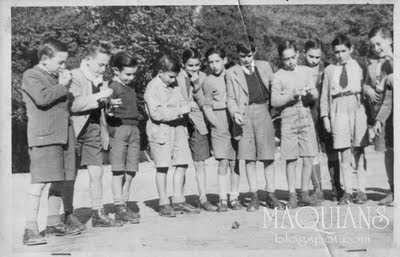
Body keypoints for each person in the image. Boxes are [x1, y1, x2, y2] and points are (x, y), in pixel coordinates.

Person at [22, 38, 84, 245]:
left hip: (64, 136)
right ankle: (30, 228)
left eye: (65, 62)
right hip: (44, 137)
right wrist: (63, 85)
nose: (63, 67)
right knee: (39, 181)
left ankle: (53, 222)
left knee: (60, 179)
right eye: (60, 62)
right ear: (45, 59)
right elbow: (42, 98)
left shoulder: (55, 77)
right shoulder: (31, 75)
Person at [226, 35, 284, 211]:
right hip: (245, 115)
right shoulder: (232, 72)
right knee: (249, 157)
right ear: (238, 55)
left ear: (255, 52)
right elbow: (230, 98)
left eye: (249, 55)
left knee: (268, 156)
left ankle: (271, 194)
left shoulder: (265, 66)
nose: (246, 59)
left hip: (264, 111)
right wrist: (235, 112)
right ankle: (254, 195)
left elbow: (276, 87)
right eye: (242, 56)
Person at [70, 40, 123, 227]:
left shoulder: (102, 81)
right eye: (100, 64)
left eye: (106, 65)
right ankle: (68, 214)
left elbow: (102, 106)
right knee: (70, 174)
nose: (103, 69)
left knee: (97, 172)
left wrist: (110, 106)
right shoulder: (74, 76)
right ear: (88, 60)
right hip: (74, 130)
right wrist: (100, 96)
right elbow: (74, 104)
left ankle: (97, 212)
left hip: (94, 128)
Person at [320, 34, 369, 205]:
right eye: (336, 52)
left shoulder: (360, 66)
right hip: (338, 107)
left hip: (356, 106)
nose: (340, 55)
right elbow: (325, 96)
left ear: (351, 49)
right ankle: (347, 191)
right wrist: (325, 117)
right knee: (344, 152)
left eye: (343, 51)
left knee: (359, 151)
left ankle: (361, 190)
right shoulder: (329, 70)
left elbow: (366, 90)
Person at [271, 40, 320, 209]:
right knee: (291, 159)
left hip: (305, 115)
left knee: (308, 156)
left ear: (298, 54)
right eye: (286, 59)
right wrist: (292, 95)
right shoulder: (277, 76)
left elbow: (314, 93)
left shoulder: (307, 71)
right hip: (288, 117)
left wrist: (311, 93)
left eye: (293, 57)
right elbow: (275, 101)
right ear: (281, 59)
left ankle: (304, 193)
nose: (290, 61)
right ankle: (292, 194)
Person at [144, 54, 193, 217]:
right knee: (162, 167)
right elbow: (156, 114)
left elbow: (179, 101)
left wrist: (186, 106)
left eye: (175, 77)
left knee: (182, 163)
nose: (173, 80)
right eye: (170, 77)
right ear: (160, 72)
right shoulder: (152, 88)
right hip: (161, 131)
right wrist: (180, 110)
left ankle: (178, 200)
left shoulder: (174, 84)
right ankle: (164, 202)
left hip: (178, 128)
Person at [175, 48, 215, 212]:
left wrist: (197, 83)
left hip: (197, 122)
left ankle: (203, 198)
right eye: (190, 65)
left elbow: (203, 102)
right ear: (183, 64)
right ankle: (179, 199)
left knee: (200, 163)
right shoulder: (175, 77)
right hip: (179, 122)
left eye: (197, 65)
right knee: (181, 163)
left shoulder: (203, 77)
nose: (194, 68)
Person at [303, 39, 343, 202]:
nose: (314, 60)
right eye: (311, 56)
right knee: (312, 153)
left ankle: (336, 187)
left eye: (317, 57)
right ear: (304, 53)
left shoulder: (328, 68)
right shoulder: (298, 70)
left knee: (332, 151)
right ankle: (317, 189)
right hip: (307, 116)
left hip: (325, 115)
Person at [203, 46, 242, 211]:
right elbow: (206, 105)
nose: (214, 65)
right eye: (211, 62)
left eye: (217, 61)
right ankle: (222, 199)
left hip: (235, 121)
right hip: (219, 123)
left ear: (224, 60)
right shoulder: (208, 81)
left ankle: (234, 197)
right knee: (223, 162)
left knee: (235, 162)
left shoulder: (233, 75)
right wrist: (215, 123)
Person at [107, 51, 141, 223]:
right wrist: (110, 108)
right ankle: (119, 206)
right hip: (119, 130)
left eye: (134, 74)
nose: (131, 77)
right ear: (116, 70)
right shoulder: (111, 87)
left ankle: (124, 202)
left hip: (133, 129)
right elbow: (107, 109)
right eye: (128, 74)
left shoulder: (130, 88)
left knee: (131, 169)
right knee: (118, 170)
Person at [364, 26, 394, 206]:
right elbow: (369, 83)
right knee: (388, 152)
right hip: (383, 113)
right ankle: (393, 190)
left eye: (379, 44)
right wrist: (368, 89)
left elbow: (390, 94)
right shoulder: (374, 64)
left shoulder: (393, 61)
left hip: (391, 112)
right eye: (373, 45)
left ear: (389, 40)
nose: (376, 48)